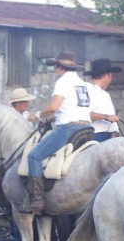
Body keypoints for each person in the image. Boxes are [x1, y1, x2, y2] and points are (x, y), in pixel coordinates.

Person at [21, 51, 92, 213]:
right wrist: (51, 119)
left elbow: (53, 107)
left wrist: (35, 115)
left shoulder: (63, 82)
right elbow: (71, 109)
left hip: (69, 129)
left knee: (34, 156)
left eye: (55, 67)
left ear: (60, 67)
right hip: (86, 128)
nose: (55, 70)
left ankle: (37, 200)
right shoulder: (82, 83)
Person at [84, 58, 121, 142]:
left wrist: (115, 131)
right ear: (106, 76)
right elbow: (83, 114)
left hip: (110, 135)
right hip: (93, 135)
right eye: (111, 76)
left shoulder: (105, 94)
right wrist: (106, 117)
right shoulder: (86, 89)